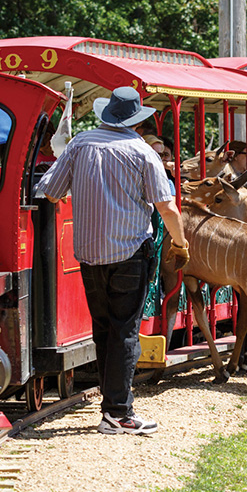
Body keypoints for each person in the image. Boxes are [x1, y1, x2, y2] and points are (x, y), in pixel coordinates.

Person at [35, 86, 189, 436]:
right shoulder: (142, 152)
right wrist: (181, 243)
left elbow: (50, 191)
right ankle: (119, 412)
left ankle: (111, 407)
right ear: (135, 120)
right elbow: (166, 206)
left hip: (88, 256)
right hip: (129, 252)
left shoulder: (80, 144)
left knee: (103, 329)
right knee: (124, 331)